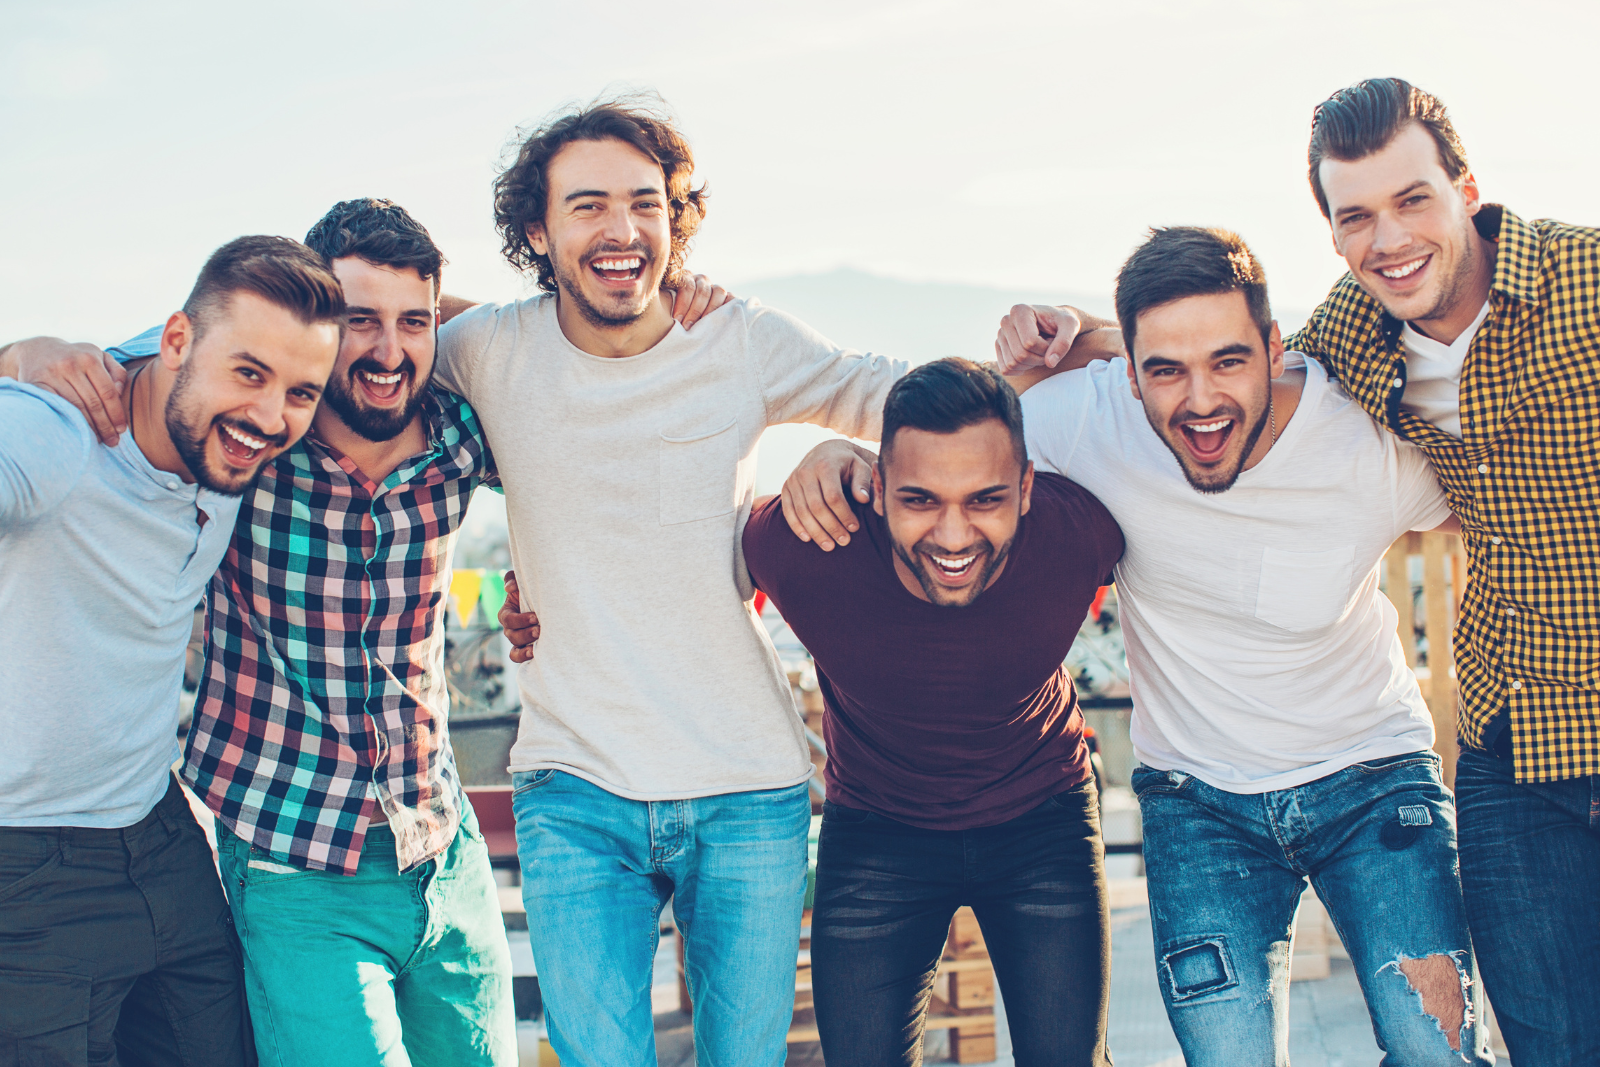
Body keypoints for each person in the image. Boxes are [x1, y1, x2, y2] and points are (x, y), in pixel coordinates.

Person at [6, 198, 731, 1066]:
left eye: (413, 322)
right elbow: (199, 343)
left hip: (435, 844)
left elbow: (598, 441)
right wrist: (19, 354)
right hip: (287, 857)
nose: (387, 352)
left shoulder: (459, 432)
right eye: (358, 323)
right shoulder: (247, 439)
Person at [1001, 77, 1600, 1065]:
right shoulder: (1351, 340)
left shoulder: (1575, 287)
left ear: (1467, 187)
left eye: (1412, 199)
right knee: (1546, 1046)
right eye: (1355, 215)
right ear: (1330, 233)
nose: (1389, 237)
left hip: (1386, 771)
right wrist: (1068, 340)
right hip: (1499, 739)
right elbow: (1208, 362)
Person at [792, 227, 1488, 1064]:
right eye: (1165, 369)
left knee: (1436, 1046)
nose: (1200, 400)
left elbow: (1503, 509)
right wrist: (838, 456)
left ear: (1275, 348)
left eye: (1229, 361)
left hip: (1371, 778)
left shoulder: (1362, 445)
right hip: (1201, 802)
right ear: (1129, 371)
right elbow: (943, 457)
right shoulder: (1087, 419)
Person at [434, 94, 908, 1066]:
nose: (622, 230)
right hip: (574, 788)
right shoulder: (487, 349)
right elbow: (349, 336)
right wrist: (60, 357)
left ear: (675, 218)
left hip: (747, 787)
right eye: (588, 206)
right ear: (537, 229)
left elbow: (902, 397)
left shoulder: (737, 339)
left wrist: (1080, 349)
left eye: (646, 203)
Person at [0, 236, 343, 1067]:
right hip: (26, 861)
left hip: (159, 832)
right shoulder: (57, 428)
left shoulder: (226, 446)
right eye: (249, 373)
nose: (270, 418)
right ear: (178, 341)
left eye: (301, 392)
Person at [742, 359, 1121, 1066]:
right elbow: (674, 566)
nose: (952, 535)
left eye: (985, 499)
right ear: (877, 489)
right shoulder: (809, 545)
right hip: (879, 830)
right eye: (921, 499)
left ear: (1028, 489)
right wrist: (531, 601)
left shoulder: (1080, 534)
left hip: (1044, 817)